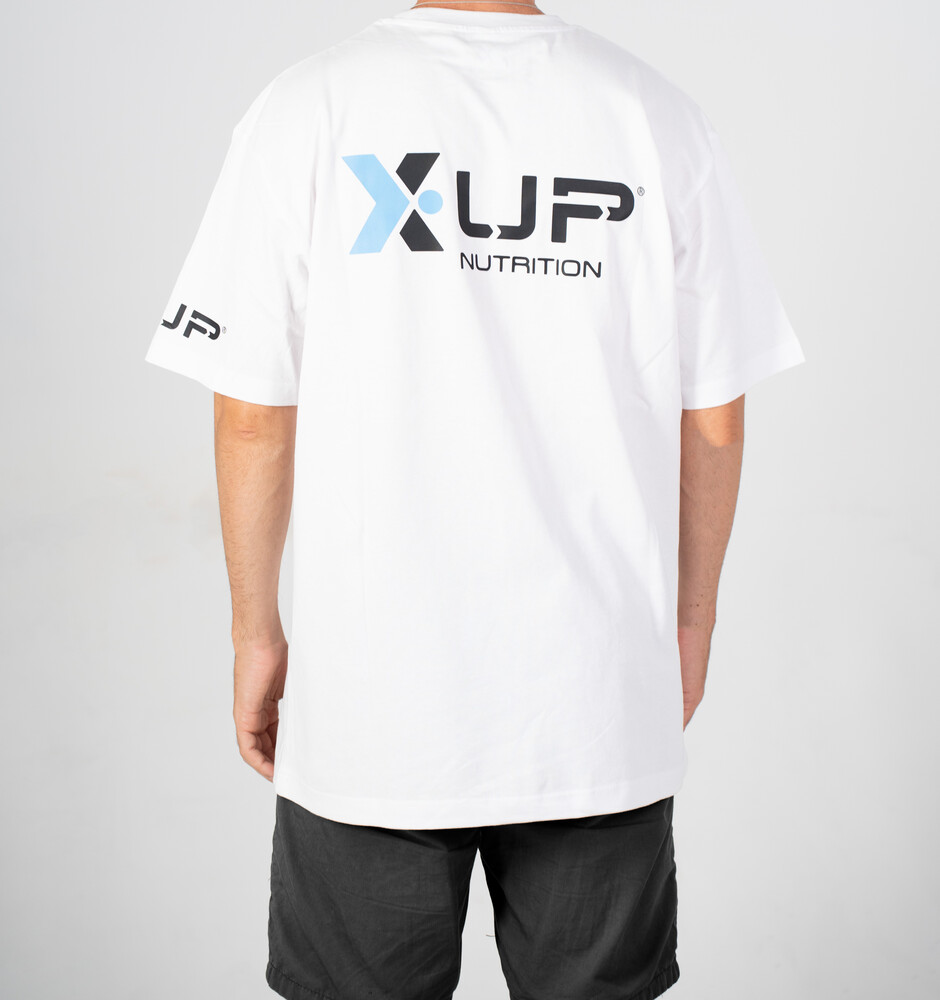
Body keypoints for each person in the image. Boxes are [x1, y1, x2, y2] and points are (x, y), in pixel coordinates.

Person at [144, 2, 806, 997]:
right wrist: (692, 619)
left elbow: (251, 416)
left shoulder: (311, 106)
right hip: (593, 698)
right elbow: (713, 419)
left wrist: (255, 634)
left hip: (371, 704)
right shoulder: (653, 115)